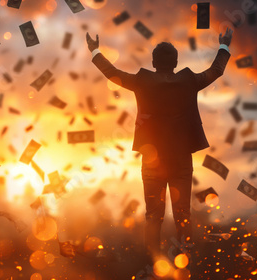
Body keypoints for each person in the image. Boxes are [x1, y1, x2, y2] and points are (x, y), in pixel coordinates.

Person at [86, 28, 233, 261]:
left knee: (153, 216)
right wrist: (224, 45)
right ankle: (186, 262)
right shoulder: (188, 80)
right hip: (181, 160)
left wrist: (94, 50)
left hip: (152, 159)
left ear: (154, 62)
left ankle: (152, 263)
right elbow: (215, 71)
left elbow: (112, 73)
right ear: (175, 62)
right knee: (183, 214)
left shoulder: (142, 81)